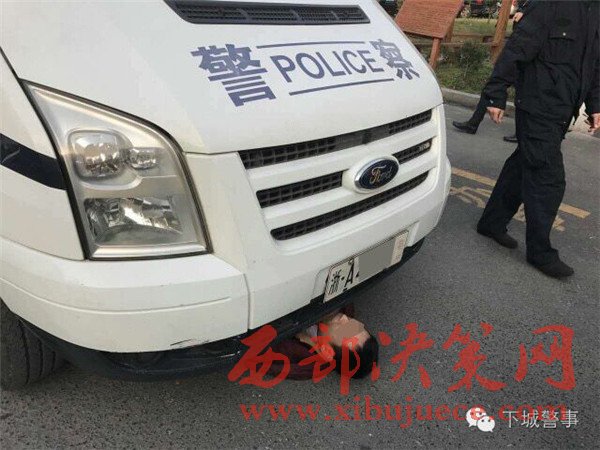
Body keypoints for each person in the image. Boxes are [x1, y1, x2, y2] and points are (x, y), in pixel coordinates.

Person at [476, 1, 600, 278]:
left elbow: (594, 64)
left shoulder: (595, 10)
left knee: (524, 164)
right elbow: (517, 48)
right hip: (537, 103)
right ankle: (540, 253)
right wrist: (496, 93)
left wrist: (595, 105)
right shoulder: (550, 4)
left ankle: (492, 223)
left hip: (562, 108)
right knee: (548, 178)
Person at [452, 0, 533, 142]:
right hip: (519, 49)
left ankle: (522, 132)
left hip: (528, 55)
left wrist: (525, 15)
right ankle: (473, 123)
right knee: (493, 86)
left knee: (523, 92)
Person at [268, 306, 379, 380]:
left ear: (326, 351)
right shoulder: (341, 311)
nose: (344, 317)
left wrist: (299, 334)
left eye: (345, 330)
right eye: (354, 326)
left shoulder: (291, 353)